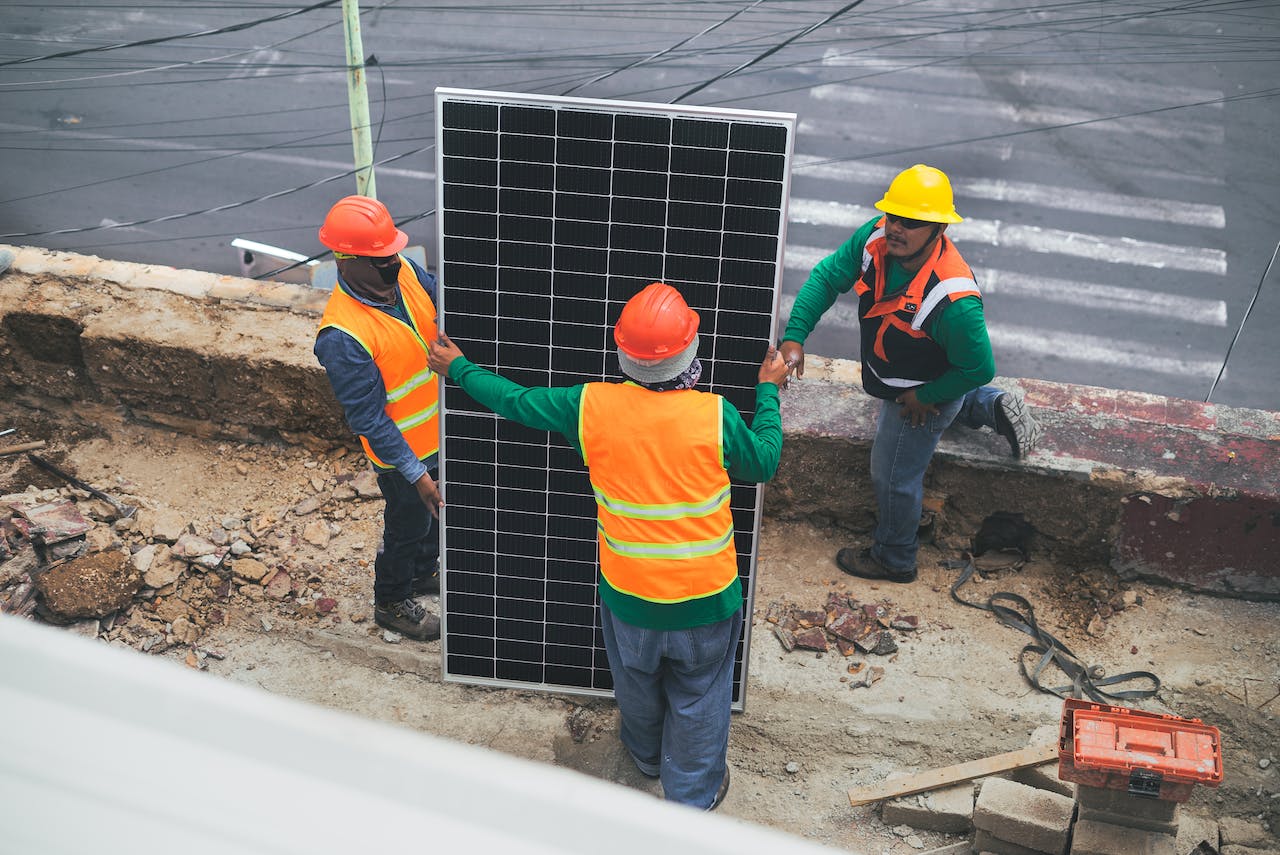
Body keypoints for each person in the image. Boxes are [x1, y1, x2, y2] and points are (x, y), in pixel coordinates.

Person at [427, 282, 790, 811]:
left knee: (637, 684)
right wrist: (768, 390)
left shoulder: (590, 405)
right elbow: (764, 461)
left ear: (623, 353)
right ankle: (692, 796)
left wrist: (458, 367)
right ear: (691, 352)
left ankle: (644, 757)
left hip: (629, 598)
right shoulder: (715, 416)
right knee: (700, 695)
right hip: (706, 601)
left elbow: (516, 401)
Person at [779, 164, 1040, 584]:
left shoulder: (952, 298)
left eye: (912, 222)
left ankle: (894, 557)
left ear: (938, 227)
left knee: (894, 473)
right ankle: (989, 407)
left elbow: (978, 366)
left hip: (920, 390)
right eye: (893, 216)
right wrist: (795, 337)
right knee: (939, 409)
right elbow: (827, 277)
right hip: (902, 372)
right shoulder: (876, 237)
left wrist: (928, 397)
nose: (896, 228)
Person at [313, 195, 443, 642]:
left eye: (392, 253)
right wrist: (415, 473)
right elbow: (368, 418)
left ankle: (424, 573)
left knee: (432, 520)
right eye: (381, 259)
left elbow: (436, 298)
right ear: (346, 262)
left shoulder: (403, 271)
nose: (393, 263)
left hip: (437, 435)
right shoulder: (343, 337)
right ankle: (391, 602)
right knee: (407, 526)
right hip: (401, 455)